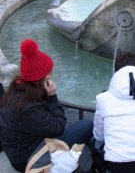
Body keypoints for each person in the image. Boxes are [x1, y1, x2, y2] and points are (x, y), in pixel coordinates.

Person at [0, 39, 93, 172]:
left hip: (19, 150)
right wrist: (53, 97)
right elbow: (58, 128)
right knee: (87, 125)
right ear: (41, 78)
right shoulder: (28, 107)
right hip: (29, 158)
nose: (51, 74)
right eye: (49, 73)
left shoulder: (18, 89)